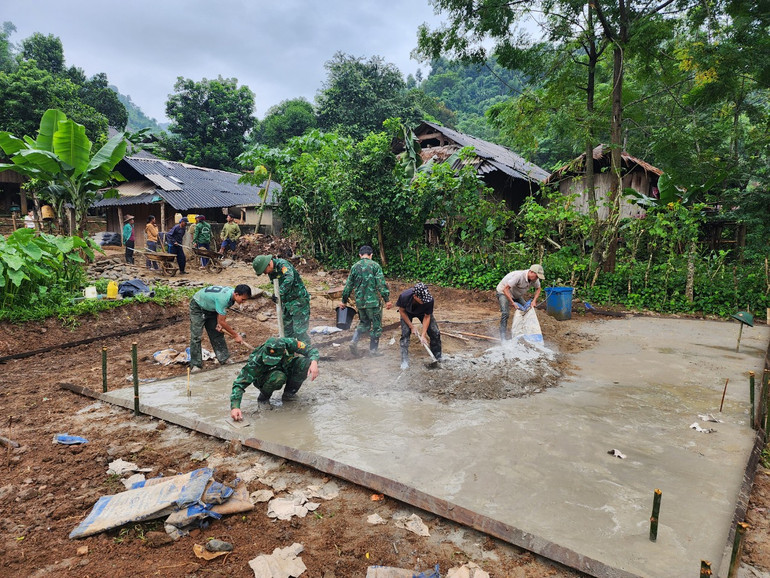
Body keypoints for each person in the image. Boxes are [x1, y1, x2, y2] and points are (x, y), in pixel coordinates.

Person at [230, 336, 320, 419]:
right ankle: (263, 399)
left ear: (284, 351)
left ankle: (289, 394)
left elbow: (311, 349)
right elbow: (239, 383)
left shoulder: (290, 343)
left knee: (305, 363)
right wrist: (235, 407)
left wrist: (314, 361)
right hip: (266, 377)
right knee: (278, 377)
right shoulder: (256, 360)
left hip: (285, 367)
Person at [339, 245, 392, 356]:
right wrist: (387, 299)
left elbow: (348, 286)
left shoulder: (354, 267)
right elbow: (381, 284)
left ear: (360, 255)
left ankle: (354, 340)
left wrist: (343, 301)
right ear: (371, 255)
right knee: (376, 326)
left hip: (360, 303)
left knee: (364, 323)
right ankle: (373, 350)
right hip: (373, 303)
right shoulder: (375, 266)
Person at [189, 284, 252, 373]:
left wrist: (219, 323)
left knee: (217, 333)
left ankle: (224, 358)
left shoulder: (231, 296)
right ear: (236, 294)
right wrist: (235, 335)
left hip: (212, 307)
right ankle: (196, 364)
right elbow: (223, 321)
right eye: (243, 299)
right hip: (198, 306)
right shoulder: (224, 299)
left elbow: (221, 316)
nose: (243, 302)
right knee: (196, 336)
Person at [253, 254, 311, 343]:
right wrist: (275, 295)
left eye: (264, 271)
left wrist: (279, 292)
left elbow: (289, 278)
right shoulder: (271, 272)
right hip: (286, 303)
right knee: (287, 331)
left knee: (299, 331)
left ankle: (309, 354)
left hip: (299, 301)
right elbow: (276, 284)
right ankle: (290, 353)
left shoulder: (283, 264)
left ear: (268, 264)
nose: (265, 273)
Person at [396, 282, 442, 369]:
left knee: (435, 332)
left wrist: (423, 335)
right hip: (407, 313)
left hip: (423, 313)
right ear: (415, 296)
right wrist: (411, 326)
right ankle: (404, 361)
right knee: (405, 335)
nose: (424, 301)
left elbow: (427, 317)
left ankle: (437, 356)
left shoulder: (429, 300)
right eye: (422, 299)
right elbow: (402, 311)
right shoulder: (404, 297)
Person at [496, 264, 544, 341]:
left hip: (516, 295)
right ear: (531, 272)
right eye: (537, 276)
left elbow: (538, 289)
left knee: (527, 310)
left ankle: (526, 333)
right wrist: (512, 302)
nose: (537, 278)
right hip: (503, 292)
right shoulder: (518, 276)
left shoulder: (534, 279)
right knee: (505, 313)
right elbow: (505, 289)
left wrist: (534, 301)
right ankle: (503, 337)